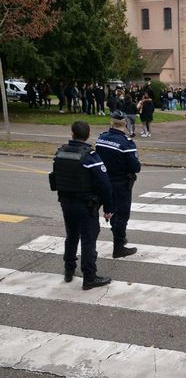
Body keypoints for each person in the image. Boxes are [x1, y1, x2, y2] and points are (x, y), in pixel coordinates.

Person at [49, 121, 114, 290]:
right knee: (88, 240)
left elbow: (55, 177)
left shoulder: (60, 153)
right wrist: (109, 209)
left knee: (71, 236)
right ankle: (89, 277)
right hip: (86, 206)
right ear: (88, 134)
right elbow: (105, 185)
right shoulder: (90, 156)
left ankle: (69, 270)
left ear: (72, 134)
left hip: (66, 203)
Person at [95, 110, 140, 258]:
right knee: (122, 214)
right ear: (125, 123)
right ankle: (119, 247)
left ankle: (119, 236)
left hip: (103, 181)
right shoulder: (126, 143)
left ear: (111, 123)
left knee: (112, 210)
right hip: (120, 184)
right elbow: (135, 167)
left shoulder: (101, 139)